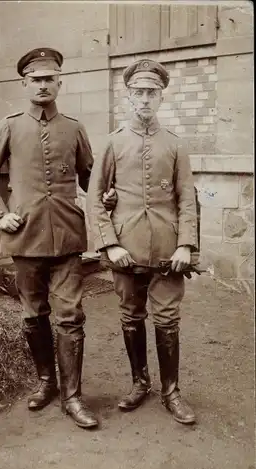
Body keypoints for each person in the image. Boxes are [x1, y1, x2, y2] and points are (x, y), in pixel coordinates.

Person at [0, 47, 116, 429]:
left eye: (49, 79)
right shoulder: (9, 126)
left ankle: (73, 397)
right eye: (35, 80)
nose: (42, 85)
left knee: (71, 316)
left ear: (59, 83)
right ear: (24, 84)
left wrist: (106, 195)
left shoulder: (74, 128)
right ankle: (46, 382)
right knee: (34, 314)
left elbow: (92, 178)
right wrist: (0, 216)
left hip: (68, 239)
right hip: (25, 239)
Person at [86, 59, 199, 425]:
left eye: (152, 93)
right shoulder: (113, 142)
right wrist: (110, 244)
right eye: (139, 92)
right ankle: (139, 383)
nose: (145, 99)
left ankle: (171, 391)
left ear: (161, 97)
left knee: (168, 318)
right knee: (131, 316)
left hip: (169, 251)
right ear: (129, 97)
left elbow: (186, 199)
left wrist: (186, 245)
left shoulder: (176, 145)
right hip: (126, 250)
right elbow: (94, 197)